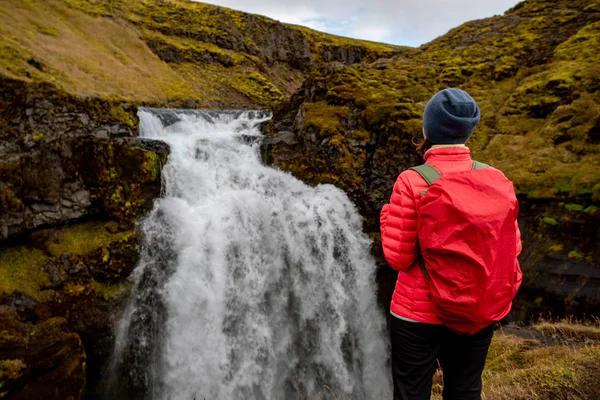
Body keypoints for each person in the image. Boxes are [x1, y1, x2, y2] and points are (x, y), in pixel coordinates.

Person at [380, 88, 522, 400]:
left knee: (411, 393)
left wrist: (387, 216)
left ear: (427, 129)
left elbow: (398, 257)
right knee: (465, 390)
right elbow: (512, 248)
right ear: (468, 130)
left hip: (418, 314)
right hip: (476, 309)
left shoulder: (412, 180)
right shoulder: (495, 178)